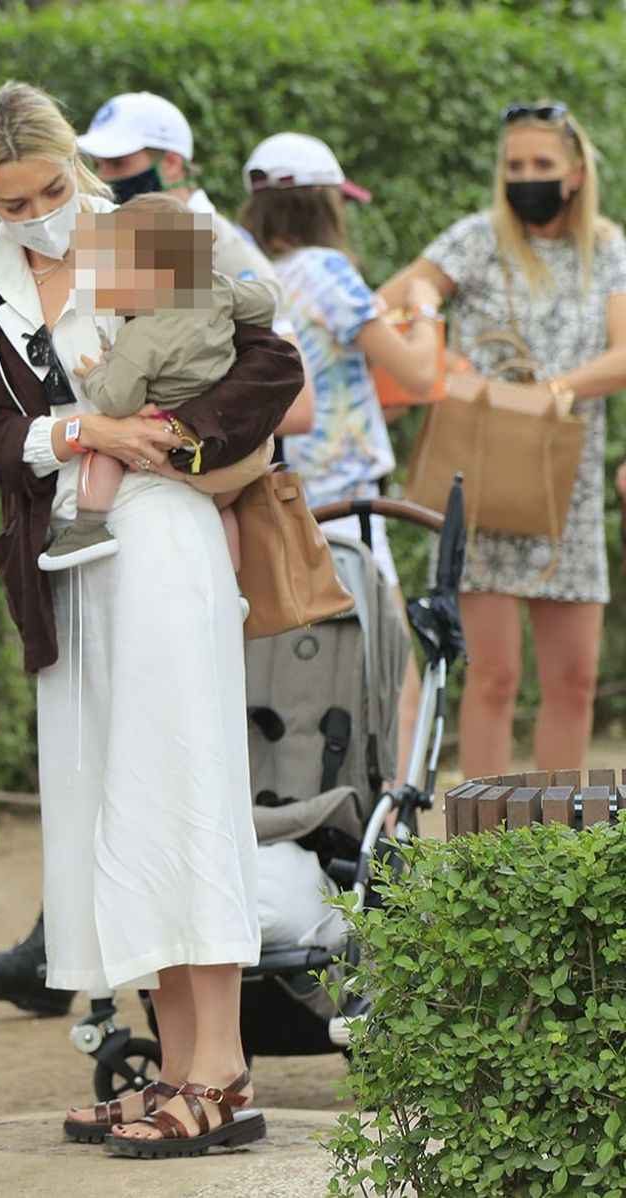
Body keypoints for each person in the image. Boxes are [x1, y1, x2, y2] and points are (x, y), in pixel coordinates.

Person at [0, 81, 303, 1156]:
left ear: (78, 167)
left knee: (182, 782)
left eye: (49, 188)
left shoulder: (143, 239)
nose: (36, 213)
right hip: (65, 562)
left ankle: (223, 1073)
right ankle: (179, 1062)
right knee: (115, 800)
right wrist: (76, 435)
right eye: (11, 201)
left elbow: (273, 368)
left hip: (160, 539)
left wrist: (170, 435)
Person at [379, 101, 626, 777]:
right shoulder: (476, 238)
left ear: (575, 173)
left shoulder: (608, 248)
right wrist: (440, 355)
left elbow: (624, 351)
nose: (526, 177)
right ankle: (484, 849)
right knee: (491, 677)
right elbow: (392, 303)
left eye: (541, 164)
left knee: (573, 679)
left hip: (563, 487)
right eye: (515, 164)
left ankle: (558, 845)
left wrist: (553, 393)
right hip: (482, 479)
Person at [237, 132, 442, 782]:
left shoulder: (250, 272)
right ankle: (396, 836)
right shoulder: (327, 271)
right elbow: (417, 374)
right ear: (327, 202)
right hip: (351, 503)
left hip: (283, 495)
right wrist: (428, 310)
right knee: (395, 676)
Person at [40, 193, 276, 571]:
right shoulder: (213, 289)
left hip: (184, 446)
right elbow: (266, 303)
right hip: (248, 448)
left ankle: (88, 529)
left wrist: (96, 375)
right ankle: (233, 586)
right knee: (223, 512)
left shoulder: (141, 335)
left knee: (105, 449)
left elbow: (119, 401)